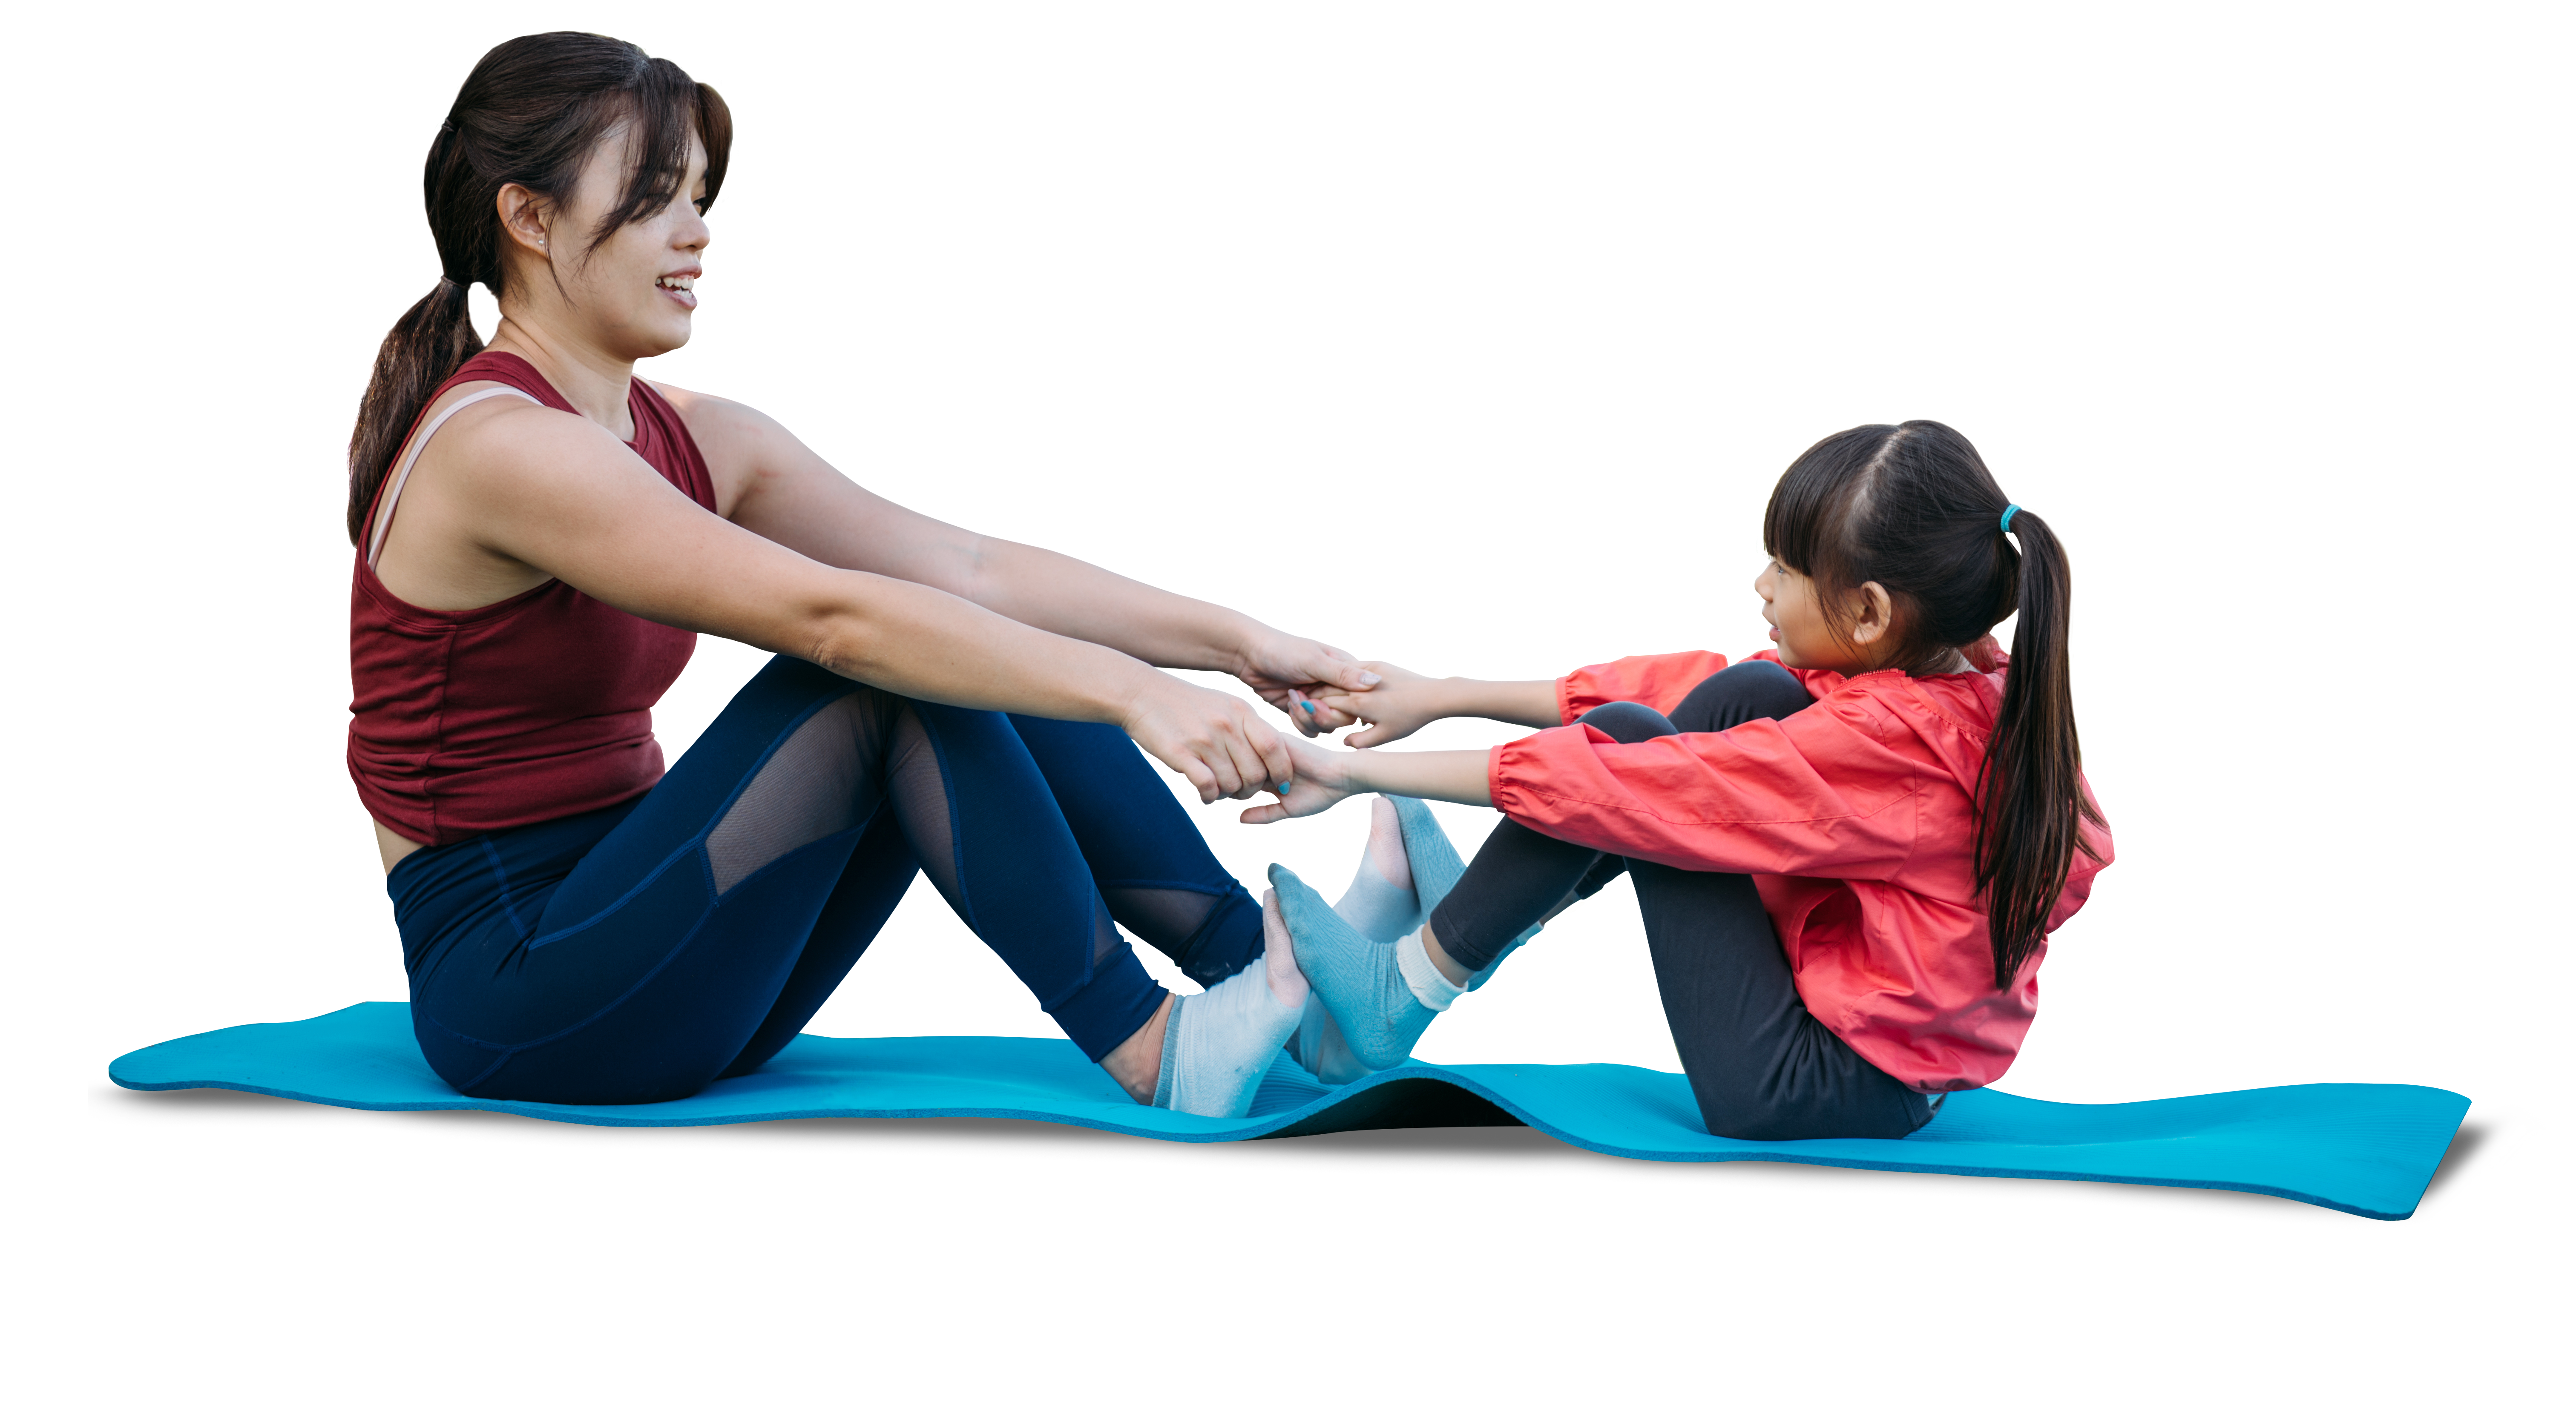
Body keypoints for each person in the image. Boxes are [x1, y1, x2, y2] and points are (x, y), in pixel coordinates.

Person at [346, 32, 1362, 1119]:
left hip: (667, 939)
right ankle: (1150, 1045)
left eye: (700, 195)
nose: (699, 235)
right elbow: (833, 619)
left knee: (942, 635)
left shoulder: (694, 439)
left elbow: (968, 569)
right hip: (525, 999)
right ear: (531, 218)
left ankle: (1280, 976)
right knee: (863, 667)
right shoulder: (498, 444)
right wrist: (1136, 693)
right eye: (654, 200)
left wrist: (1240, 648)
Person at [1239, 420, 2115, 1141]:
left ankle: (1406, 989)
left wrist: (1348, 768)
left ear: (1871, 612)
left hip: (1804, 1086)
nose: (1762, 585)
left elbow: (1650, 781)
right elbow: (1675, 693)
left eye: (1784, 565)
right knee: (1745, 694)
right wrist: (1438, 702)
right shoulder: (1961, 680)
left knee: (1636, 771)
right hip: (1880, 1062)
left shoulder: (1900, 748)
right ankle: (1473, 914)